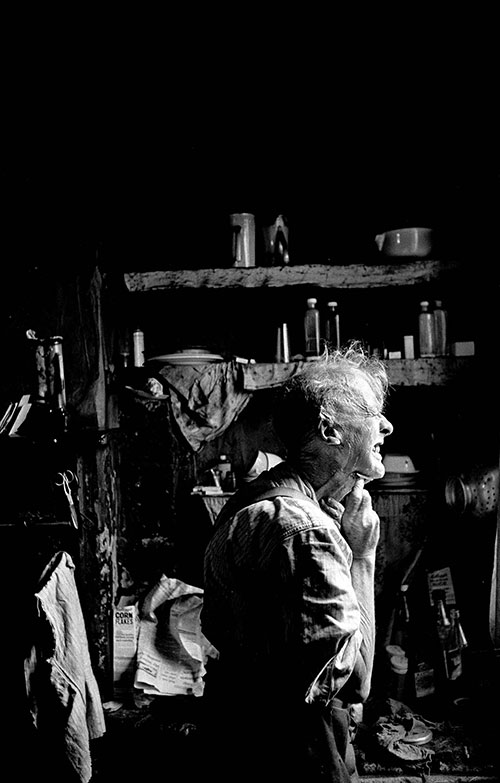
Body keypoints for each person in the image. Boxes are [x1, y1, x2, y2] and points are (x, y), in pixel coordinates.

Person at [201, 342, 394, 782]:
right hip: (290, 756)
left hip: (237, 738)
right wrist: (362, 554)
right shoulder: (305, 531)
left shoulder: (259, 497)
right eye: (372, 413)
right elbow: (357, 682)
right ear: (330, 429)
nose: (386, 425)